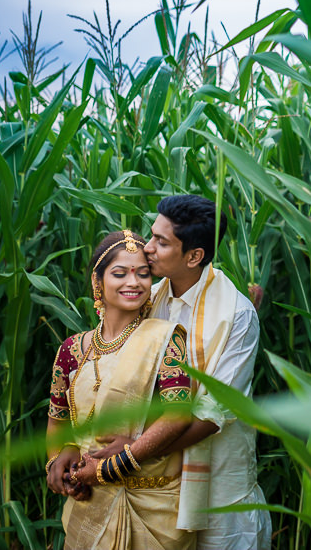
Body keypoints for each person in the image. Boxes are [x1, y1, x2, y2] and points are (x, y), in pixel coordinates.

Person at [93, 195, 271, 549]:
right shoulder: (148, 297)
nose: (148, 247)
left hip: (218, 490)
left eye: (162, 242)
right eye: (151, 235)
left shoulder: (234, 314)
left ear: (194, 257)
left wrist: (136, 452)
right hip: (154, 488)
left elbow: (213, 413)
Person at [45, 230, 194, 550]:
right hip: (88, 507)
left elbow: (179, 416)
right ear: (98, 282)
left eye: (143, 273)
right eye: (120, 273)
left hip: (153, 511)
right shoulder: (71, 350)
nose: (134, 282)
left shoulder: (166, 339)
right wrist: (60, 458)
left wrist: (121, 460)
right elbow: (58, 422)